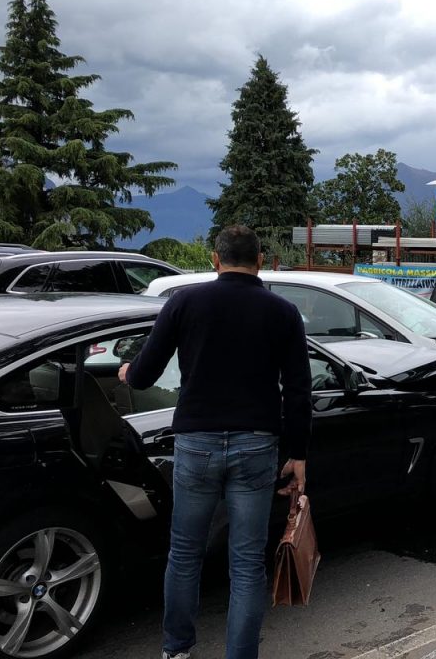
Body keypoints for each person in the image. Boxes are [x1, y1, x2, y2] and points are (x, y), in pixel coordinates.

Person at [119, 226, 311, 659]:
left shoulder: (184, 302)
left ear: (214, 259)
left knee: (185, 553)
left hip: (197, 442)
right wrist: (298, 454)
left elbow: (145, 373)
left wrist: (127, 372)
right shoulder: (283, 312)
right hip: (257, 445)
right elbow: (298, 391)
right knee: (246, 563)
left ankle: (177, 650)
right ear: (260, 260)